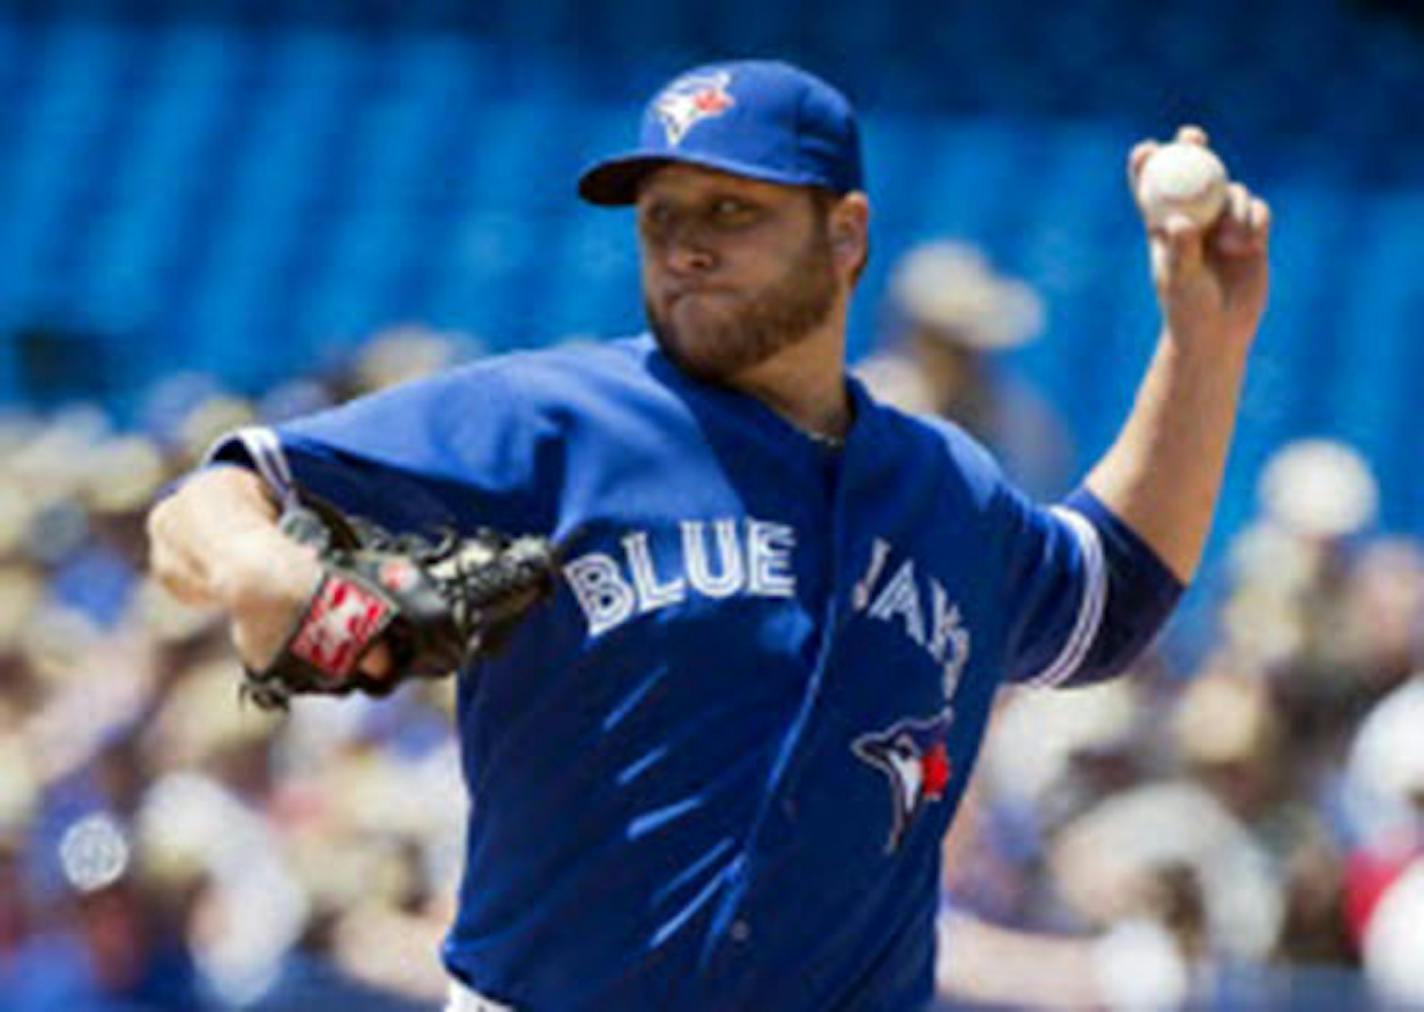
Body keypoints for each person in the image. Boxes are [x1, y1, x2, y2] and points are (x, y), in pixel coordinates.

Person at [147, 60, 1272, 1011]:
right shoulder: (548, 419)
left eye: (731, 211)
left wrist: (1204, 340)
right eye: (661, 216)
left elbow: (1106, 598)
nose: (683, 246)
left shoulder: (945, 487)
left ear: (845, 235)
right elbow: (216, 492)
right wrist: (267, 571)